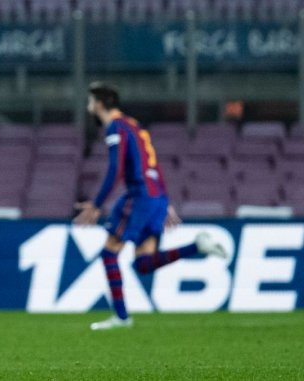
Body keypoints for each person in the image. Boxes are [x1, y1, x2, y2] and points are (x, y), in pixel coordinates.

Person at [73, 82, 227, 331]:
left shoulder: (116, 127)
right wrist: (165, 201)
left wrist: (97, 203)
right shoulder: (134, 126)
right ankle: (196, 246)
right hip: (156, 197)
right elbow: (153, 165)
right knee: (144, 263)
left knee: (109, 253)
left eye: (90, 101)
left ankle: (121, 317)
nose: (88, 106)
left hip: (138, 197)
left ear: (100, 103)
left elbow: (116, 169)